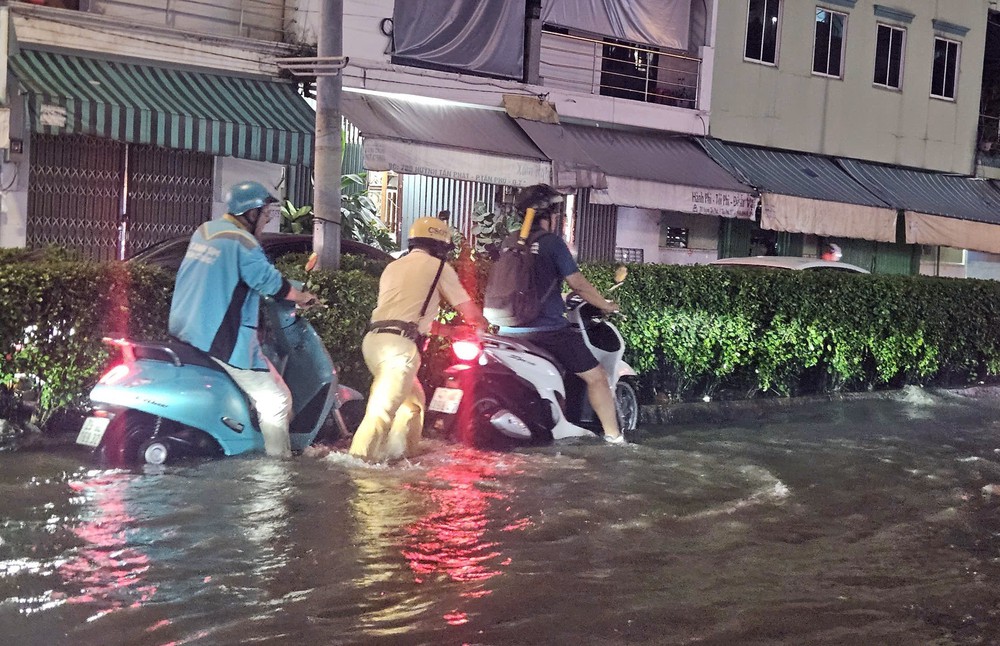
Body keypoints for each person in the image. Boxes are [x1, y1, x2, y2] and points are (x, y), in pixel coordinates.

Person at [168, 181, 318, 459]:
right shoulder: (243, 242)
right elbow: (269, 282)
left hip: (186, 328)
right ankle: (277, 466)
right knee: (276, 400)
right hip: (222, 337)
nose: (266, 221)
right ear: (251, 213)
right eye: (265, 215)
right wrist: (302, 297)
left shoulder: (206, 231)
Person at [493, 184, 626, 444]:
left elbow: (527, 284)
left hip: (506, 331)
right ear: (550, 215)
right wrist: (606, 305)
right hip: (547, 332)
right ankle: (614, 438)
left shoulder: (509, 242)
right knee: (597, 376)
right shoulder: (551, 243)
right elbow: (579, 285)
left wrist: (559, 297)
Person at [349, 217, 487, 462]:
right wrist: (484, 325)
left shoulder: (393, 267)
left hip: (374, 342)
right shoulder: (438, 267)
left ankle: (401, 455)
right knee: (381, 411)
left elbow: (409, 317)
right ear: (440, 246)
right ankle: (356, 465)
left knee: (413, 404)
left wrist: (451, 332)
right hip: (399, 350)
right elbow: (470, 312)